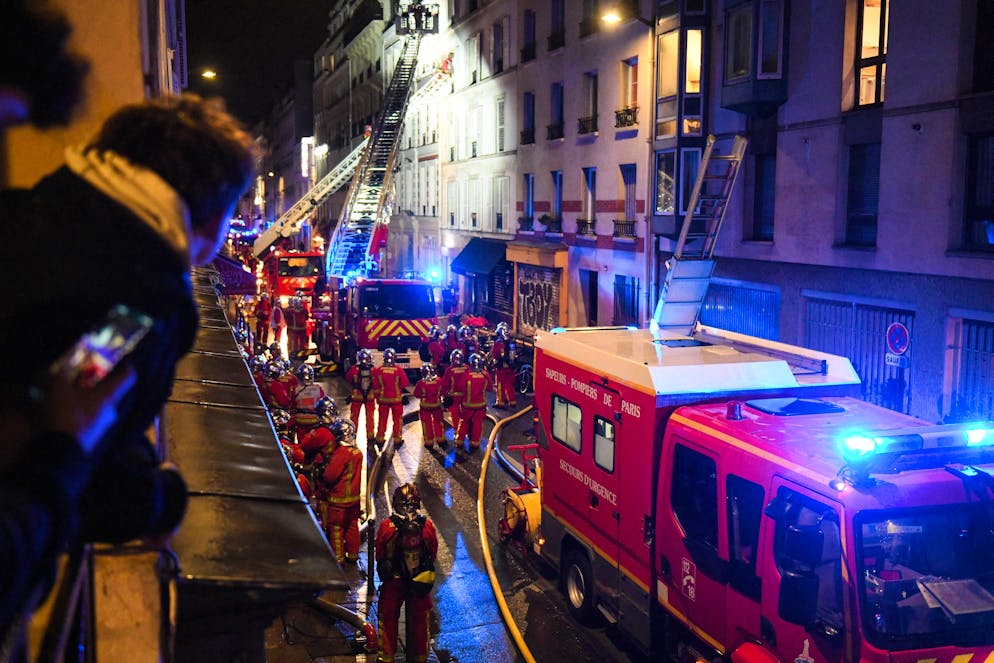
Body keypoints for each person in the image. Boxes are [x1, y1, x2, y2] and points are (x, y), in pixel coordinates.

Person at [0, 93, 255, 642]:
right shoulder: (137, 303)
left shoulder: (29, 215)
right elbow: (77, 406)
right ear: (211, 217)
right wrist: (157, 501)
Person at [375, 483, 438, 663]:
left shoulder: (387, 526)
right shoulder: (426, 526)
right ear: (417, 504)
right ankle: (419, 657)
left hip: (394, 582)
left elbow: (379, 553)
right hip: (419, 581)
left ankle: (386, 657)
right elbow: (432, 552)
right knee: (420, 620)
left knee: (387, 618)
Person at [318, 419, 364, 564]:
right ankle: (353, 555)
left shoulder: (342, 453)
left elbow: (330, 476)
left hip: (338, 501)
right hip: (354, 501)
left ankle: (339, 560)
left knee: (336, 530)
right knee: (352, 528)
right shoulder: (357, 452)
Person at [372, 348, 410, 449]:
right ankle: (397, 439)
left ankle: (380, 438)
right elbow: (405, 383)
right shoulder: (398, 370)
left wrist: (377, 397)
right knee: (397, 420)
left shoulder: (379, 370)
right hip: (396, 400)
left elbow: (375, 386)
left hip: (383, 399)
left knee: (382, 419)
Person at [457, 353, 493, 452]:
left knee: (464, 422)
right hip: (480, 405)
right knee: (478, 424)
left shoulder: (466, 375)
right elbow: (490, 388)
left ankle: (460, 440)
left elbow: (461, 388)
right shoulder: (485, 375)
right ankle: (475, 443)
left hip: (467, 405)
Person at [345, 349, 377, 444]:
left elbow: (348, 378)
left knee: (354, 418)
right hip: (370, 398)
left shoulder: (354, 369)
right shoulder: (374, 369)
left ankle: (352, 436)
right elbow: (377, 383)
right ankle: (370, 437)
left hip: (357, 397)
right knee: (370, 418)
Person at [292, 364, 327, 442]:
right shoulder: (318, 388)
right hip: (314, 422)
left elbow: (291, 404)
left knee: (302, 443)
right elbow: (324, 404)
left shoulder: (295, 389)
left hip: (300, 422)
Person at [412, 364, 444, 449]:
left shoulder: (421, 383)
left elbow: (416, 395)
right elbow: (443, 392)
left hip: (425, 408)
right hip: (437, 406)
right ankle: (441, 439)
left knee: (427, 425)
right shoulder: (439, 380)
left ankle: (429, 442)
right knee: (438, 423)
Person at [488, 323, 517, 408]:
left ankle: (500, 402)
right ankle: (512, 401)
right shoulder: (512, 342)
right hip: (510, 368)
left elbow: (494, 355)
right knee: (510, 385)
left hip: (501, 368)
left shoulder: (498, 343)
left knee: (500, 385)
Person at [440, 348, 468, 434]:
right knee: (466, 416)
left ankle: (457, 433)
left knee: (455, 416)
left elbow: (444, 385)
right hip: (467, 397)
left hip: (453, 397)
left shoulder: (449, 370)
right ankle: (466, 432)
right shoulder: (467, 368)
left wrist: (444, 395)